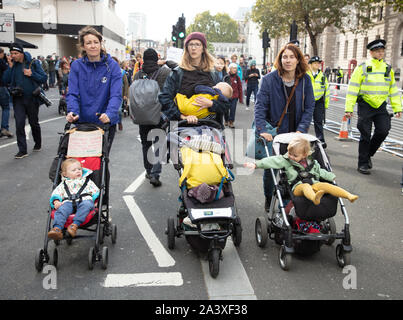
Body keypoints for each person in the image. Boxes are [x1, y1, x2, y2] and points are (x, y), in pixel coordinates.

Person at [254, 42, 315, 211]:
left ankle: (290, 199)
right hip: (275, 132)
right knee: (272, 168)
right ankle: (269, 196)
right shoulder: (268, 80)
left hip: (296, 132)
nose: (287, 60)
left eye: (291, 57)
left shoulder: (305, 80)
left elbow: (309, 107)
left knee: (297, 166)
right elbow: (260, 107)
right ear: (279, 60)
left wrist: (301, 129)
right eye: (284, 57)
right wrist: (262, 130)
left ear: (298, 60)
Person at [244, 135, 358, 205]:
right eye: (289, 153)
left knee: (327, 186)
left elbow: (320, 172)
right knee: (305, 187)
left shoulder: (312, 162)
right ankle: (315, 198)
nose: (290, 156)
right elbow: (271, 161)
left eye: (294, 155)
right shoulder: (285, 160)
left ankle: (348, 195)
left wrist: (330, 176)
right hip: (296, 186)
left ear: (304, 155)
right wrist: (256, 164)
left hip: (314, 182)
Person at [345, 39, 402, 175]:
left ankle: (368, 154)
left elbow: (393, 90)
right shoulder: (362, 68)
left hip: (381, 106)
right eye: (377, 51)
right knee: (365, 134)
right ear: (371, 52)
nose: (380, 53)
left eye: (382, 51)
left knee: (384, 130)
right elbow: (353, 89)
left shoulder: (388, 69)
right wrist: (349, 108)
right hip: (366, 105)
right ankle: (363, 164)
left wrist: (397, 108)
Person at [66, 26, 122, 150]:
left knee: (101, 162)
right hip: (82, 121)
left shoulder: (112, 66)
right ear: (83, 46)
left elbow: (115, 94)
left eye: (96, 42)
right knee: (82, 161)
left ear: (101, 44)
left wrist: (110, 113)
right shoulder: (76, 66)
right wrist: (72, 111)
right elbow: (72, 93)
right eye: (89, 43)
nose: (93, 46)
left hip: (104, 121)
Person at [159, 32, 230, 126]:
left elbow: (225, 104)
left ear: (203, 49)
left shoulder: (214, 73)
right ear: (187, 48)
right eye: (191, 44)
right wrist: (182, 116)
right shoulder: (177, 73)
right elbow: (165, 99)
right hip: (181, 127)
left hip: (210, 127)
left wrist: (212, 104)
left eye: (197, 44)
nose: (193, 48)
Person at [132, 48, 173, 187]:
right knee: (159, 143)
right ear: (156, 59)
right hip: (159, 114)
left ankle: (148, 171)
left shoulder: (138, 75)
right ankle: (155, 173)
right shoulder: (165, 72)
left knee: (145, 143)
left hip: (142, 114)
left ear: (143, 59)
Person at [2, 43, 47, 159]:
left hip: (32, 98)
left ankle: (38, 143)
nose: (13, 56)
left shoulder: (33, 63)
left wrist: (32, 74)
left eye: (15, 53)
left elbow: (43, 78)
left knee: (33, 123)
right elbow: (4, 80)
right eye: (11, 53)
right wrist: (10, 67)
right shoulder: (13, 65)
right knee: (19, 124)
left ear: (21, 53)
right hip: (18, 99)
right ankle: (22, 150)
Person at [47, 158, 100, 240]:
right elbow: (56, 193)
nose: (78, 171)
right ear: (65, 174)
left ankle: (74, 225)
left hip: (84, 200)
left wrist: (95, 200)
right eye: (74, 170)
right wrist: (56, 201)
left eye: (79, 169)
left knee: (87, 205)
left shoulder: (87, 181)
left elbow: (95, 191)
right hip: (68, 202)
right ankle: (57, 228)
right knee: (61, 210)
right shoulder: (63, 184)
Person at [307, 56, 329, 147]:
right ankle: (304, 140)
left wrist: (326, 104)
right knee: (306, 121)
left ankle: (321, 140)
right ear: (310, 64)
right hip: (307, 101)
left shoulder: (322, 76)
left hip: (319, 102)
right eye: (315, 63)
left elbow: (326, 91)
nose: (317, 65)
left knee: (318, 122)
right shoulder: (306, 74)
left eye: (318, 63)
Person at [0, 48, 13, 138]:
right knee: (6, 107)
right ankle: (4, 128)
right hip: (1, 87)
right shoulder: (1, 62)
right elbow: (8, 72)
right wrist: (9, 62)